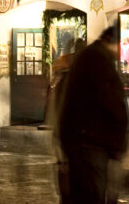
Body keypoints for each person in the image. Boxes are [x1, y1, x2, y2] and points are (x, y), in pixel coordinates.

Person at [58, 24, 128, 204]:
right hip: (92, 144)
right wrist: (119, 143)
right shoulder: (99, 60)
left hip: (81, 142)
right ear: (113, 42)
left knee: (84, 194)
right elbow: (110, 102)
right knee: (93, 195)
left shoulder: (89, 57)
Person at [48, 38, 85, 204]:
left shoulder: (61, 76)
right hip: (74, 138)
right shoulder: (78, 76)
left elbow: (54, 110)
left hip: (64, 136)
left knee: (67, 187)